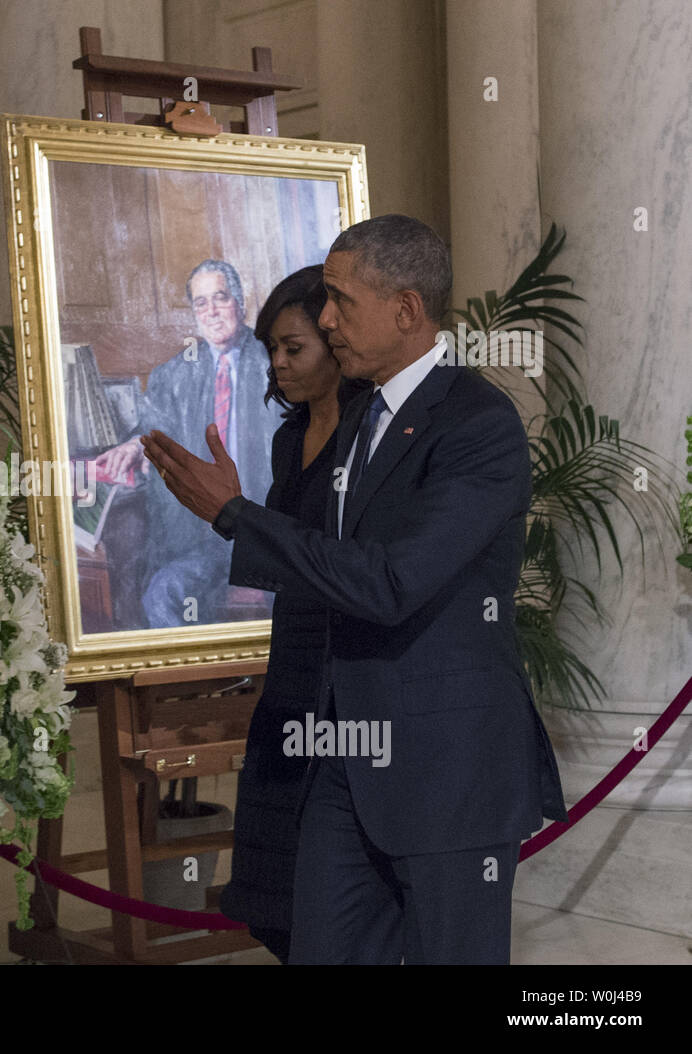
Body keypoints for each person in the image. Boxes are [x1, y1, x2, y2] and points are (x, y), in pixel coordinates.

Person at [142, 214, 567, 964]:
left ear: (406, 310)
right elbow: (324, 563)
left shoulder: (478, 424)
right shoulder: (355, 414)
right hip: (343, 757)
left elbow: (392, 581)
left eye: (339, 300)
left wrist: (237, 516)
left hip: (446, 767)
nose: (326, 318)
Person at [217, 264, 370, 963]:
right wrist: (234, 518)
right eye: (270, 351)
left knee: (330, 898)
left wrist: (234, 514)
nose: (277, 365)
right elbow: (283, 560)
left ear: (336, 346)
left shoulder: (374, 436)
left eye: (293, 347)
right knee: (271, 899)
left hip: (350, 671)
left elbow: (357, 564)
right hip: (292, 669)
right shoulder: (289, 438)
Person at [94, 259, 281, 628]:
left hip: (271, 532)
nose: (211, 312)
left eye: (220, 298)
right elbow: (153, 426)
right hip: (203, 538)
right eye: (201, 303)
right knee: (162, 594)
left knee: (297, 604)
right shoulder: (175, 373)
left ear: (240, 302)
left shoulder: (276, 363)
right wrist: (136, 445)